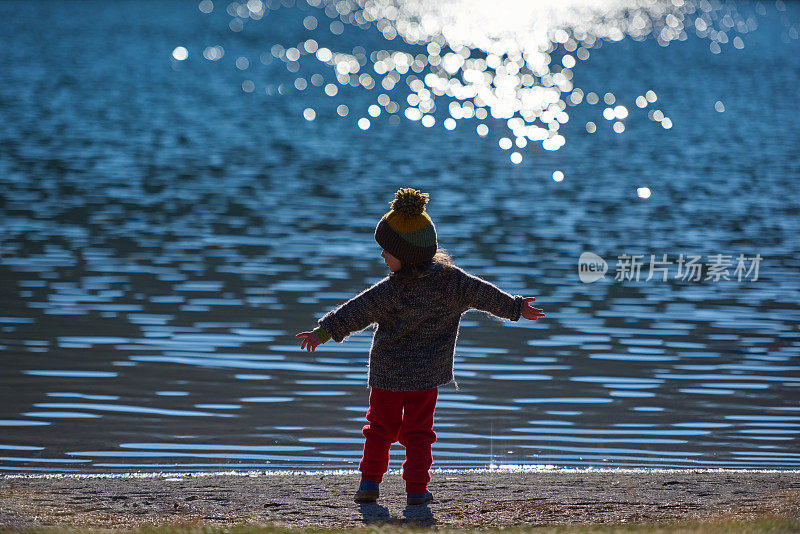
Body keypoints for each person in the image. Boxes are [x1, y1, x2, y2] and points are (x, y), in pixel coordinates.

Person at [296, 187, 545, 506]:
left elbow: (355, 312)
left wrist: (323, 332)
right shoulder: (454, 283)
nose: (382, 256)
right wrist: (515, 307)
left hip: (387, 378)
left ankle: (370, 483)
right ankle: (416, 488)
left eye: (387, 251)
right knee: (419, 433)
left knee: (378, 430)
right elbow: (486, 295)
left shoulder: (391, 291)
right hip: (427, 378)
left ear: (407, 254)